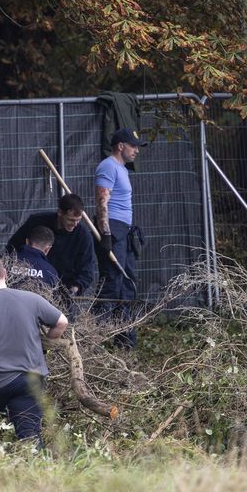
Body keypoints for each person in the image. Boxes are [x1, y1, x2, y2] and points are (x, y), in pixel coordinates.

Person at [0, 254, 68, 445]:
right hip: (30, 380)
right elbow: (62, 322)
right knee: (30, 436)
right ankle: (35, 460)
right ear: (4, 273)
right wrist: (46, 343)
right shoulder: (32, 299)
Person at [94, 127, 147, 348]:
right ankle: (93, 337)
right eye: (133, 146)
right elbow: (102, 200)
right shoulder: (108, 166)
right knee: (112, 283)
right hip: (113, 229)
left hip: (124, 230)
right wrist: (106, 233)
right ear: (120, 146)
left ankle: (124, 341)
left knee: (126, 284)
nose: (137, 150)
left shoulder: (122, 169)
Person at [7, 193, 95, 297]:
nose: (75, 224)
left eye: (78, 220)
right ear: (60, 212)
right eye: (71, 220)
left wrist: (75, 289)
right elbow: (12, 248)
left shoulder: (83, 235)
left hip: (64, 288)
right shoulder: (36, 222)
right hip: (31, 282)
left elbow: (87, 270)